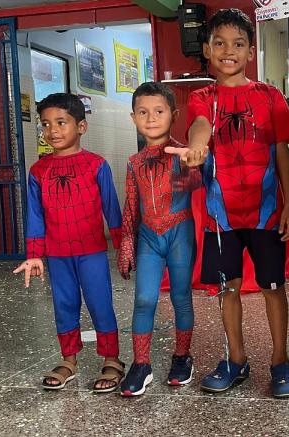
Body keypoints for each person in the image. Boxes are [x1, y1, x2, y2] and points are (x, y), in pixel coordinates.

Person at [169, 8, 289, 397]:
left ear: (249, 51)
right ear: (208, 50)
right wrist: (195, 148)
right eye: (220, 43)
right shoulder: (202, 98)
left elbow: (282, 154)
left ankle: (280, 360)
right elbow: (200, 127)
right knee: (228, 289)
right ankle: (236, 359)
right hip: (220, 218)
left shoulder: (268, 96)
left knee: (273, 287)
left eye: (238, 44)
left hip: (265, 214)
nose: (229, 51)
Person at [13, 93, 124, 393]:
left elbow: (112, 210)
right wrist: (35, 254)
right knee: (64, 305)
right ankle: (69, 360)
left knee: (100, 304)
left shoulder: (96, 165)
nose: (53, 131)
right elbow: (35, 215)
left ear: (82, 127)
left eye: (61, 122)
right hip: (57, 254)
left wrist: (124, 247)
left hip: (92, 253)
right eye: (46, 124)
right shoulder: (38, 171)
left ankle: (112, 359)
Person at [118, 82, 200, 396]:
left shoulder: (183, 153)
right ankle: (141, 364)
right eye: (143, 112)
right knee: (144, 299)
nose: (151, 118)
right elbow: (131, 204)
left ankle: (182, 357)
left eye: (159, 111)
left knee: (181, 296)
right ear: (133, 117)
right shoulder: (133, 162)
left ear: (173, 115)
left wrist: (194, 164)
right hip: (149, 239)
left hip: (180, 233)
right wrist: (127, 241)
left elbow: (196, 183)